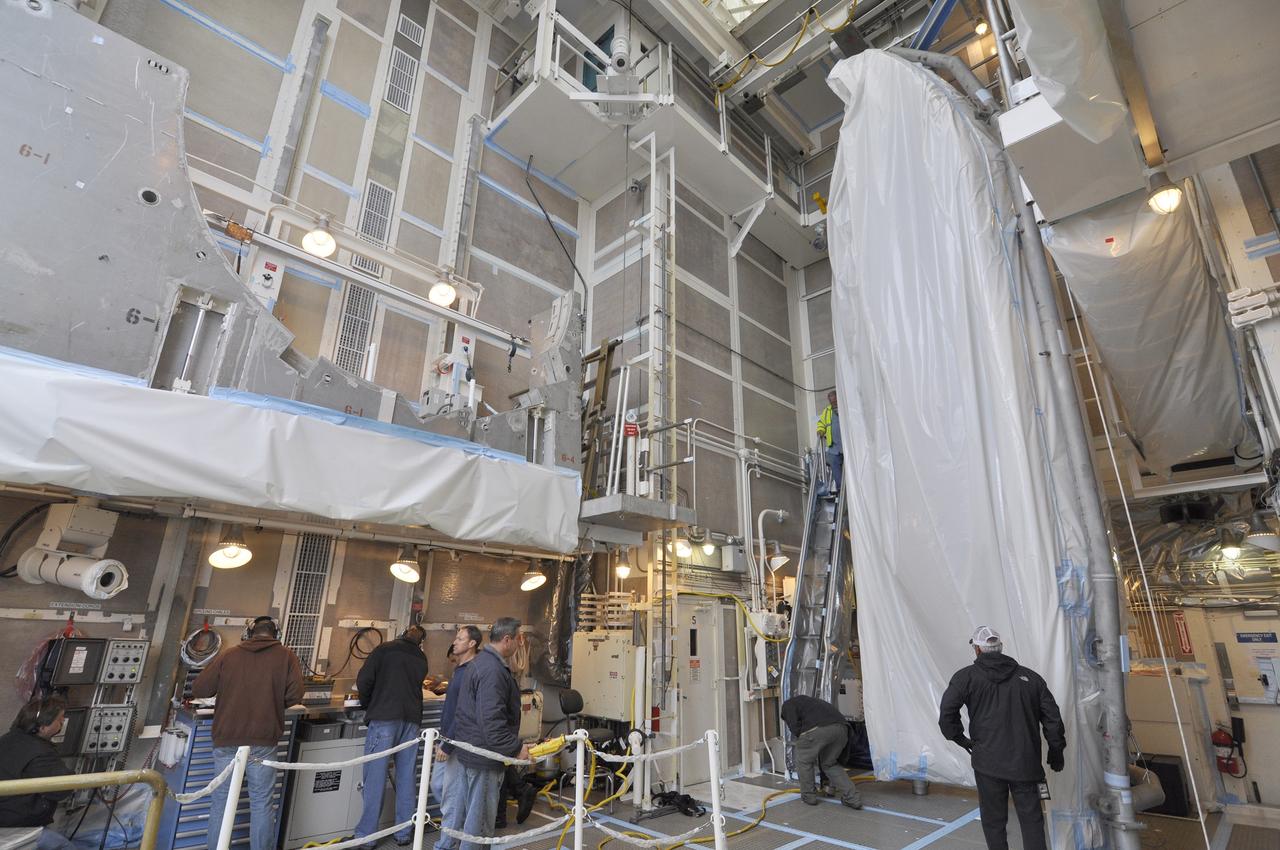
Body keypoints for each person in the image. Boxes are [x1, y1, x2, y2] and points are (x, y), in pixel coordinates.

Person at [938, 626, 1065, 850]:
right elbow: (1052, 718)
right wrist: (1056, 751)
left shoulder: (965, 677)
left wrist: (961, 740)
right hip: (1026, 765)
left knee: (994, 822)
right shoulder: (1032, 678)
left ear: (977, 649)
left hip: (988, 764)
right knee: (1032, 821)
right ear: (1001, 648)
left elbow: (947, 714)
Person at [193, 615, 304, 850]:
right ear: (277, 634)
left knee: (220, 803)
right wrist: (272, 702)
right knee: (262, 804)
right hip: (263, 740)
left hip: (227, 738)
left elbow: (200, 688)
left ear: (248, 633)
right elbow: (295, 695)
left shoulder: (230, 654)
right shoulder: (286, 656)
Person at [450, 618, 530, 850]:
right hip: (483, 758)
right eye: (518, 638)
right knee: (479, 827)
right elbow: (492, 722)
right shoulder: (492, 671)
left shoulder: (482, 662)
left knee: (470, 821)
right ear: (507, 640)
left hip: (472, 752)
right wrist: (516, 748)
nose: (520, 643)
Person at [355, 624, 430, 848]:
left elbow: (364, 680)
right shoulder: (421, 658)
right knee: (406, 777)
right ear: (421, 642)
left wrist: (369, 705)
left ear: (402, 634)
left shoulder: (384, 649)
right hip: (411, 721)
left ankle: (366, 837)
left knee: (375, 778)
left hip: (384, 719)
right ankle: (404, 833)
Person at [0, 695, 74, 850]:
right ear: (42, 727)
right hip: (17, 828)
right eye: (60, 719)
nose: (62, 723)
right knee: (64, 847)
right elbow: (61, 790)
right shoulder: (40, 753)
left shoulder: (6, 740)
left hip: (5, 822)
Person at [434, 626, 482, 850]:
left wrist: (448, 743)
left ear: (472, 644)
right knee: (438, 786)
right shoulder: (459, 669)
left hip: (456, 741)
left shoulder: (471, 671)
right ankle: (459, 828)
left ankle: (446, 843)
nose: (454, 642)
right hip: (447, 738)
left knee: (451, 795)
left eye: (460, 638)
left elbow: (464, 711)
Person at [780, 694, 861, 809]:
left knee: (804, 761)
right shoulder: (809, 702)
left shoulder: (787, 706)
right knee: (829, 764)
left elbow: (795, 727)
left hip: (819, 729)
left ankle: (808, 796)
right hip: (842, 729)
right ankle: (852, 798)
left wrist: (803, 741)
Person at [815, 391, 842, 496]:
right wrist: (820, 430)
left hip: (845, 446)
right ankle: (840, 488)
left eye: (835, 400)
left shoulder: (845, 407)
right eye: (832, 401)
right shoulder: (827, 411)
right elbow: (821, 423)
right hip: (834, 446)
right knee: (834, 463)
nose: (834, 403)